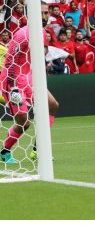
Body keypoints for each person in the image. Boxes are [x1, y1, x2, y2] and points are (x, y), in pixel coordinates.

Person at [0, 26, 59, 163]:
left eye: (45, 13)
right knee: (24, 123)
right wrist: (13, 88)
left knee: (52, 105)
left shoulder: (43, 31)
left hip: (30, 77)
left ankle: (39, 150)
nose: (44, 16)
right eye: (43, 13)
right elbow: (10, 62)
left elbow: (43, 50)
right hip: (12, 79)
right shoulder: (21, 35)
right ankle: (4, 151)